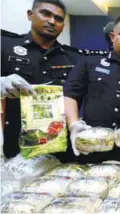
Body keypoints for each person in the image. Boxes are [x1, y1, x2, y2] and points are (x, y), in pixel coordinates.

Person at [63, 15, 120, 163]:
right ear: (113, 36)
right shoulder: (90, 62)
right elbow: (71, 93)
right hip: (92, 142)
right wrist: (73, 124)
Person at [1, 0, 84, 160]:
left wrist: (75, 123)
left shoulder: (73, 57)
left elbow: (75, 95)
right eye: (45, 14)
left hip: (61, 146)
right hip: (16, 147)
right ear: (30, 15)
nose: (52, 21)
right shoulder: (5, 46)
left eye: (58, 19)